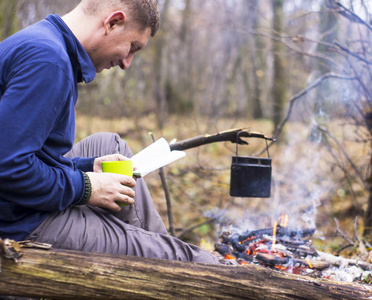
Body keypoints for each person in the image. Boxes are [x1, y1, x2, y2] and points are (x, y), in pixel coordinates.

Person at [0, 0, 219, 264]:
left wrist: (88, 166)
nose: (127, 63)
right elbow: (8, 168)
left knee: (110, 147)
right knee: (187, 260)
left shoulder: (44, 41)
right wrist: (87, 187)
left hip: (16, 204)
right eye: (132, 47)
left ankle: (148, 250)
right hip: (18, 223)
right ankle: (166, 261)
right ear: (113, 22)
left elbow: (22, 153)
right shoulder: (49, 62)